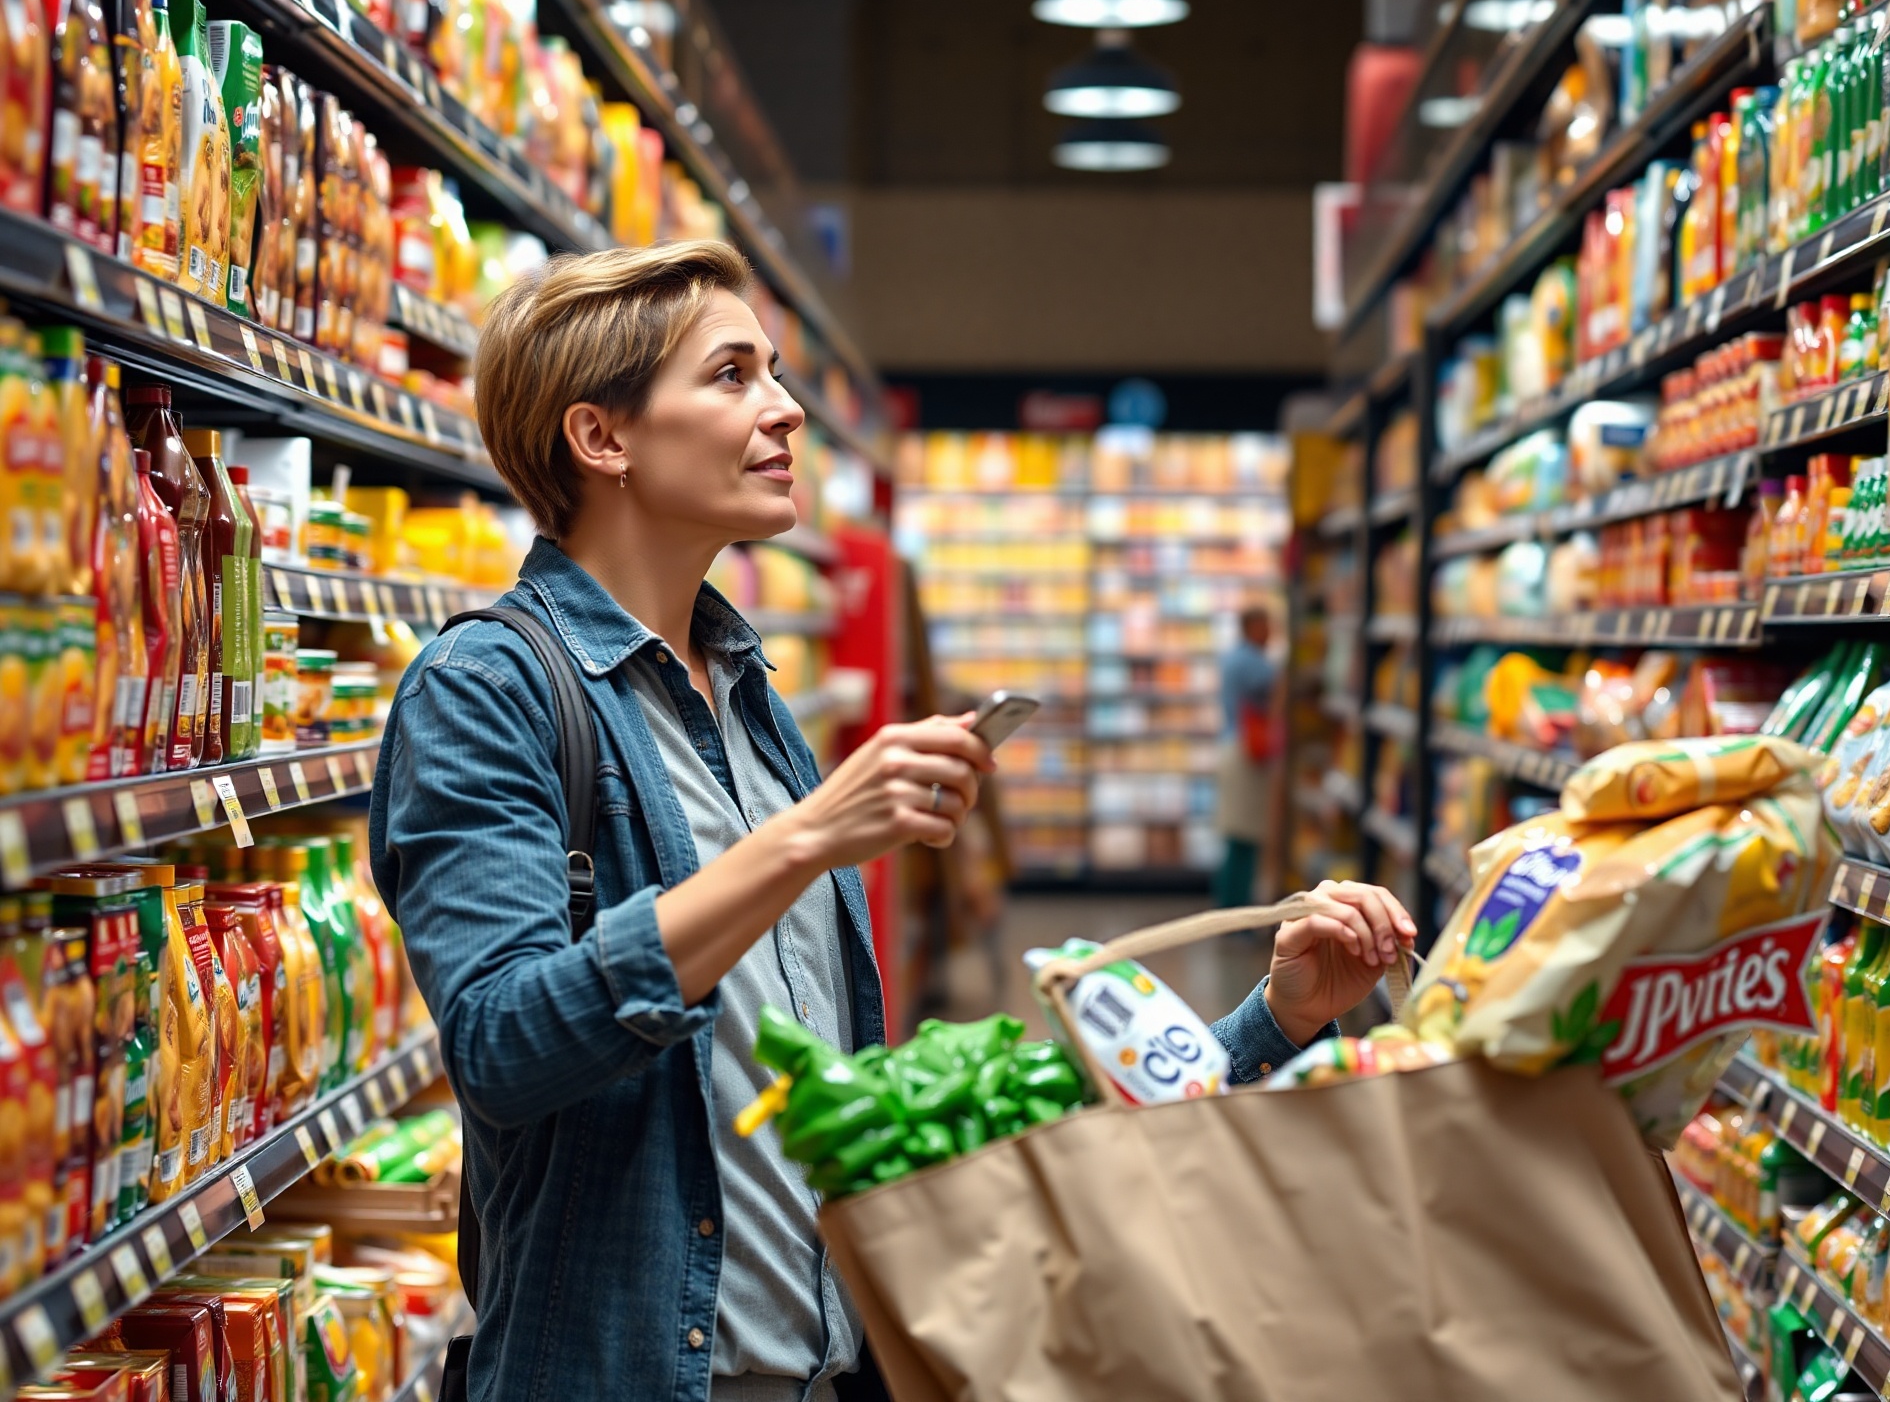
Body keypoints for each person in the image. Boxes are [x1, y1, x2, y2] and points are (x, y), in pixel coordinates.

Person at [371, 240, 1416, 1402]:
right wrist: (808, 837)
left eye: (774, 370)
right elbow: (502, 1045)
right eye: (730, 375)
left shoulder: (751, 700)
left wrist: (1264, 1022)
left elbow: (873, 1125)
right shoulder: (486, 688)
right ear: (600, 437)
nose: (784, 410)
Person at [1213, 603, 1280, 906]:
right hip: (1246, 752)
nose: (1271, 632)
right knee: (1245, 837)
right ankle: (1235, 913)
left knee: (1238, 835)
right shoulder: (1251, 661)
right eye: (1266, 625)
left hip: (1234, 747)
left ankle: (1230, 907)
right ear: (1252, 627)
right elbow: (1277, 685)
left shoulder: (1234, 658)